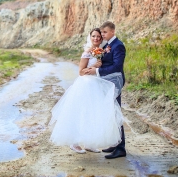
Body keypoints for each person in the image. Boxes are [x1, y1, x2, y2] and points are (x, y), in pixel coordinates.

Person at [49, 26, 124, 156]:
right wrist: (95, 66)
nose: (96, 38)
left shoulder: (101, 51)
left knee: (93, 114)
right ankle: (75, 143)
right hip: (86, 85)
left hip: (97, 85)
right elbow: (81, 72)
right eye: (94, 36)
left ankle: (89, 144)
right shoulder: (87, 52)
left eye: (99, 36)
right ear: (90, 37)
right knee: (81, 113)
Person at [84, 21, 126, 159]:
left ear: (113, 31)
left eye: (105, 32)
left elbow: (117, 67)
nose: (102, 35)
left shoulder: (118, 46)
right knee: (110, 113)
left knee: (115, 113)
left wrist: (97, 71)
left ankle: (121, 148)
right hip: (107, 82)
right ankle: (115, 143)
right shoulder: (108, 45)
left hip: (114, 82)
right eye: (101, 33)